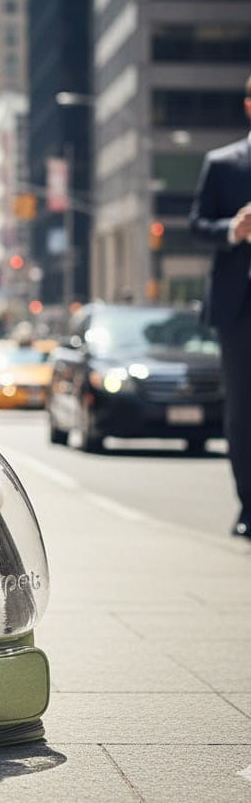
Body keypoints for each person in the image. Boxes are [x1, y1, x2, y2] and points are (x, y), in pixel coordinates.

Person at [189, 73, 251, 541]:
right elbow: (196, 225)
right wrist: (233, 228)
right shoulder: (223, 164)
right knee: (242, 411)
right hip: (239, 310)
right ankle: (248, 505)